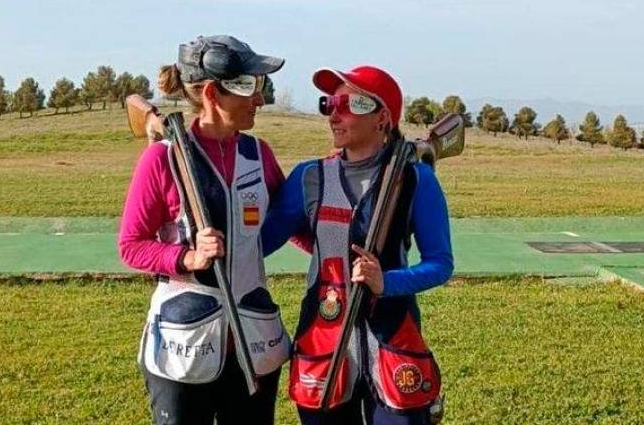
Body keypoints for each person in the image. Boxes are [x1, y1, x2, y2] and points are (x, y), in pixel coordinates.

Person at [261, 65, 454, 424]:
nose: (334, 113)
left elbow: (441, 263)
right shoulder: (310, 177)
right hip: (324, 345)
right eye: (329, 103)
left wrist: (387, 282)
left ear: (382, 117)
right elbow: (260, 242)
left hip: (394, 340)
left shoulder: (416, 179)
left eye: (349, 104)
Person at [118, 35, 292, 425]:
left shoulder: (258, 154)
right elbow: (131, 245)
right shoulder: (161, 159)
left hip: (254, 343)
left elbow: (289, 222)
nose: (259, 99)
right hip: (183, 347)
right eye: (249, 87)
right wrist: (186, 257)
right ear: (213, 92)